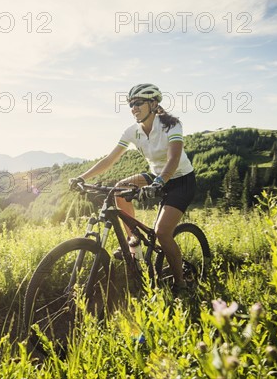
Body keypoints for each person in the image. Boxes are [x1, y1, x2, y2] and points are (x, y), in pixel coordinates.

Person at [68, 83, 196, 292]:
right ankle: (134, 241)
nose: (133, 108)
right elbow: (110, 159)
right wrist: (81, 177)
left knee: (162, 233)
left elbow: (173, 159)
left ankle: (181, 284)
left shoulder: (171, 126)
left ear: (154, 104)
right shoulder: (132, 131)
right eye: (131, 104)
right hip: (155, 176)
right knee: (120, 188)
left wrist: (159, 182)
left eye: (138, 103)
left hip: (181, 180)